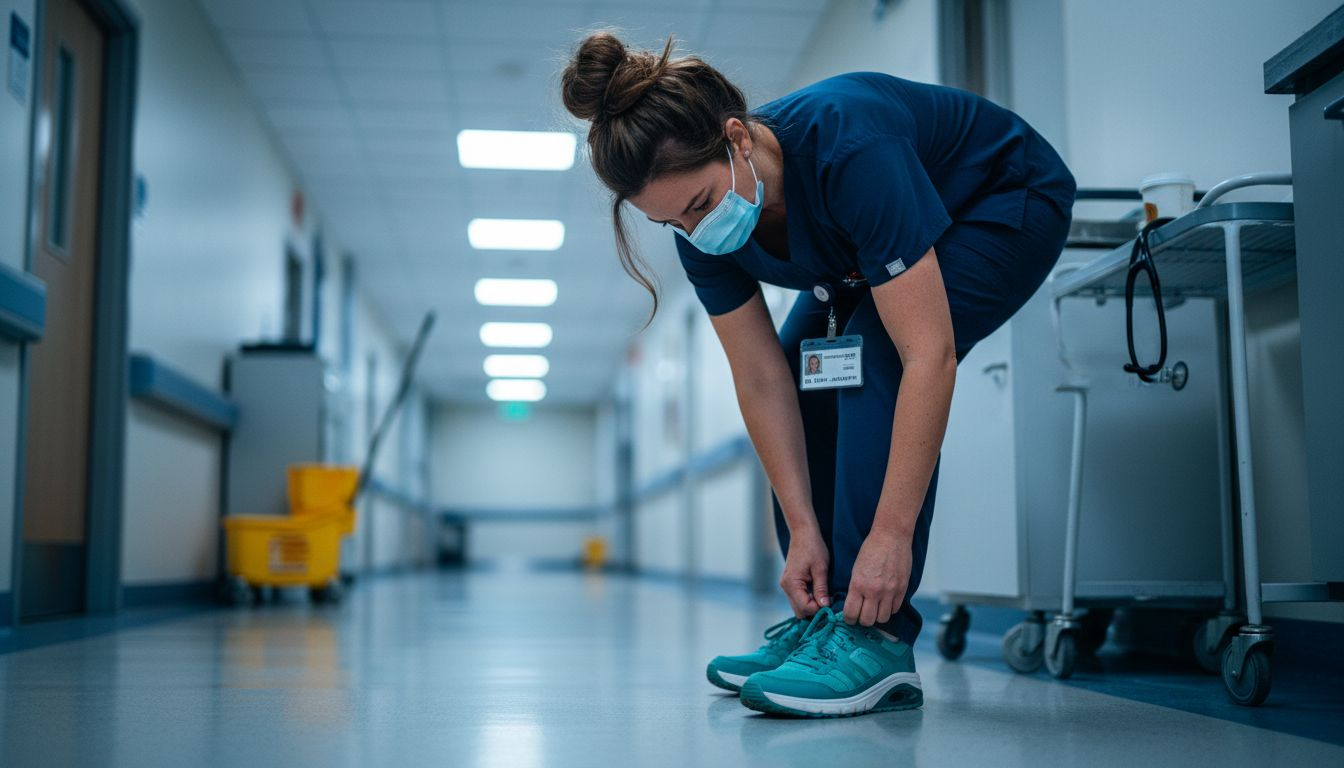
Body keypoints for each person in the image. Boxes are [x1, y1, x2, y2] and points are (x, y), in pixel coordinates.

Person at [561, 32, 1074, 718]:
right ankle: (825, 617)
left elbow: (928, 356)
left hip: (1003, 201)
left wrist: (890, 536)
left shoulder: (846, 146)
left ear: (738, 139)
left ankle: (876, 636)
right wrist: (803, 528)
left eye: (703, 204)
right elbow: (762, 380)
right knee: (808, 374)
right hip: (877, 252)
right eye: (674, 222)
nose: (697, 229)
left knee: (875, 351)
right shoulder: (703, 235)